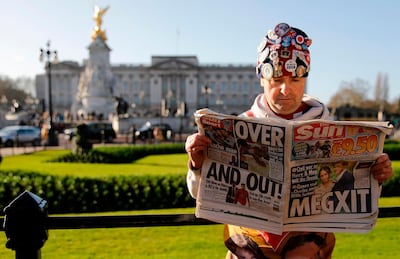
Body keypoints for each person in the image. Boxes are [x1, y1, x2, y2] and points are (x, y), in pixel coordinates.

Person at [185, 22, 393, 258]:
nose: (286, 90)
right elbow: (197, 193)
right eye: (276, 80)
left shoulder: (330, 127)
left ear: (305, 79)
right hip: (250, 248)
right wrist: (197, 165)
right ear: (262, 79)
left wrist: (376, 174)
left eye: (295, 80)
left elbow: (351, 196)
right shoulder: (237, 125)